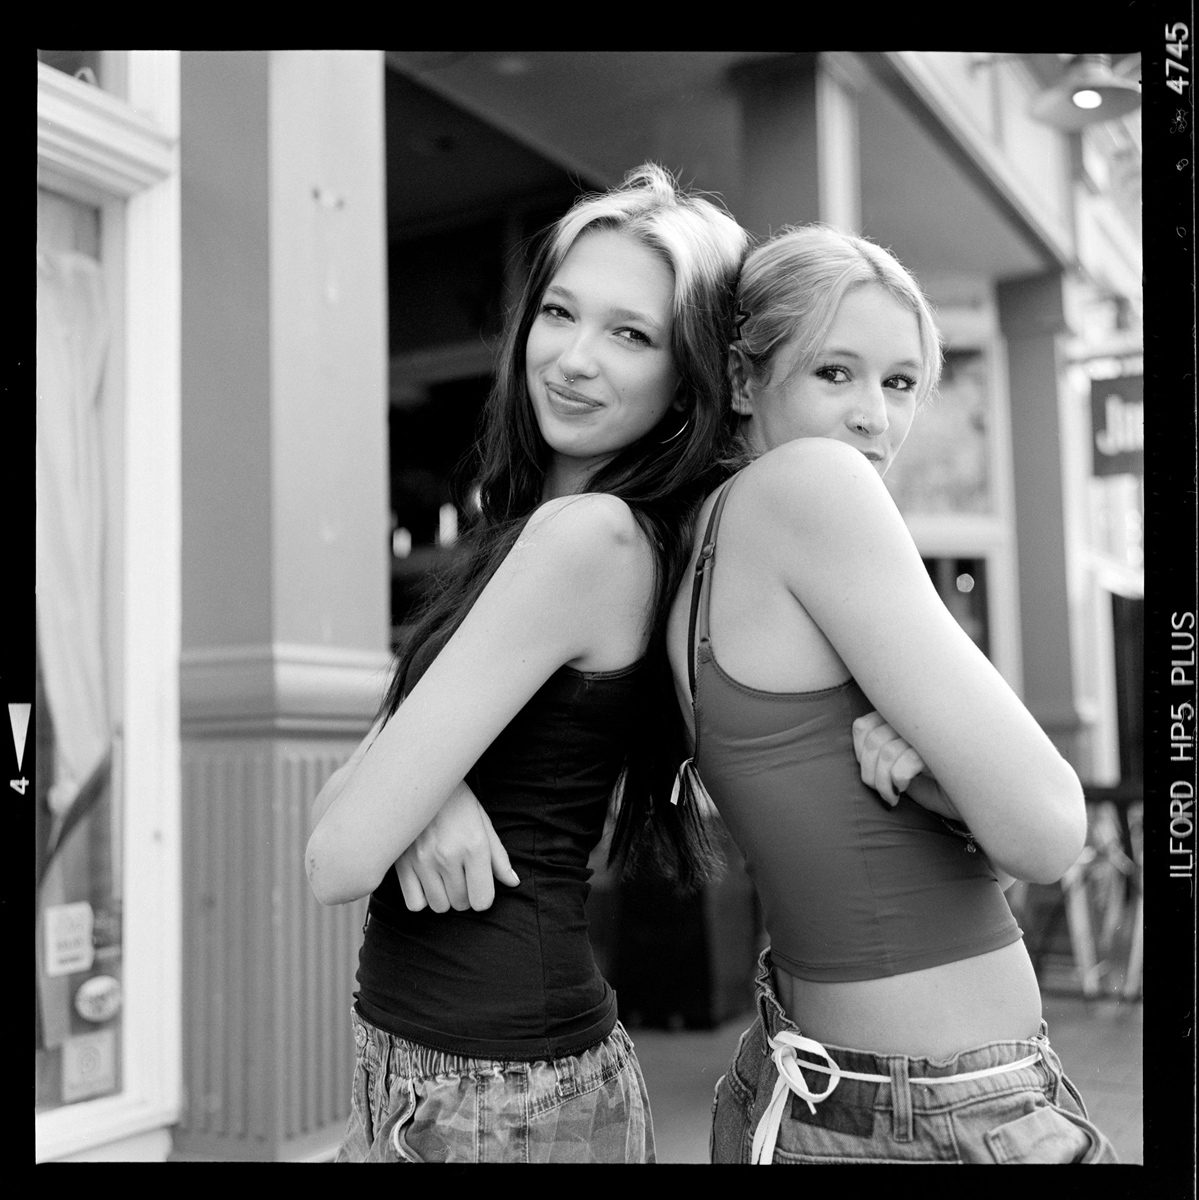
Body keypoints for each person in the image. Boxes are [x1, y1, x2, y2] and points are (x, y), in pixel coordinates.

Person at [304, 163, 748, 1163]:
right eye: (559, 312)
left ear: (689, 378)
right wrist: (433, 778)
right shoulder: (543, 529)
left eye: (630, 335)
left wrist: (412, 779)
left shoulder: (586, 539)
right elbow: (352, 807)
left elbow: (335, 855)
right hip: (467, 1073)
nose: (574, 359)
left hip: (492, 1091)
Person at [664, 224, 1119, 1164]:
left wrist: (933, 778)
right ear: (743, 382)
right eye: (835, 373)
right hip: (940, 1107)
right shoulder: (814, 487)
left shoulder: (696, 541)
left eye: (900, 381)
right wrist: (950, 777)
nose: (875, 416)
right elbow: (1044, 831)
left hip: (810, 1085)